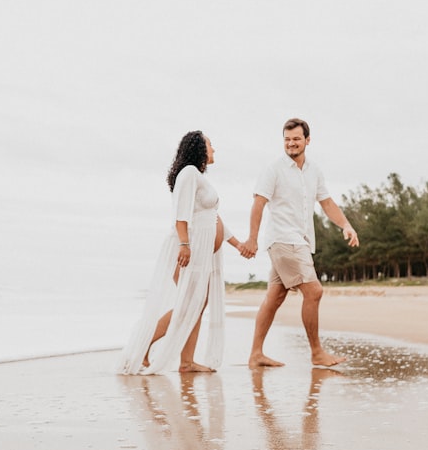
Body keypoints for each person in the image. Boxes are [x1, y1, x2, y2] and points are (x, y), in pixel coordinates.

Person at [116, 131, 249, 375]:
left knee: (196, 303)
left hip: (202, 250)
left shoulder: (198, 177)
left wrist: (237, 243)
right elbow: (181, 212)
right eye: (211, 145)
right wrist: (185, 245)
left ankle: (187, 361)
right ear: (199, 148)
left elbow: (214, 218)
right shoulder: (188, 173)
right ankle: (145, 346)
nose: (214, 149)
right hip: (191, 249)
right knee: (189, 303)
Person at [242, 118, 360, 368]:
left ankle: (255, 354)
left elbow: (327, 203)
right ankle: (317, 353)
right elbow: (259, 203)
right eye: (287, 139)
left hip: (300, 242)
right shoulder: (274, 169)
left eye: (296, 139)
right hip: (284, 240)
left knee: (274, 297)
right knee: (314, 291)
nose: (291, 144)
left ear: (307, 140)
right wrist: (252, 238)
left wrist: (347, 225)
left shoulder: (314, 171)